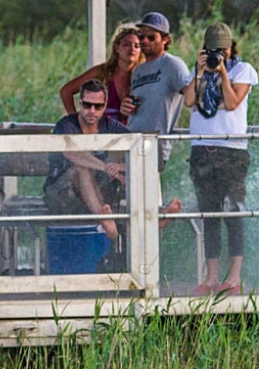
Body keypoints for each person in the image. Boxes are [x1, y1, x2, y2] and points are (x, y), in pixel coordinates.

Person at [183, 23, 258, 296]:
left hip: (231, 150)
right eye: (212, 50)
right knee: (209, 213)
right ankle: (211, 277)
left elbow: (233, 101)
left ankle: (234, 277)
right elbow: (189, 101)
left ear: (230, 47)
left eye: (221, 49)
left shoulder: (242, 69)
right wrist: (200, 72)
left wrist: (222, 72)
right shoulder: (198, 70)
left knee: (233, 211)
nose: (217, 54)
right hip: (202, 150)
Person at [44, 79, 128, 241]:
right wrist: (106, 167)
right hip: (61, 194)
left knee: (134, 173)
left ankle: (154, 216)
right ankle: (106, 221)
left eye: (98, 106)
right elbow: (73, 154)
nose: (92, 111)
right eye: (87, 105)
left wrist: (119, 167)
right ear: (79, 103)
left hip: (99, 190)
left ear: (105, 106)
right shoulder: (66, 124)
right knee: (81, 169)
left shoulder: (110, 125)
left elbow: (138, 146)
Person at [120, 12, 190, 171]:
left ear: (165, 40)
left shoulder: (173, 65)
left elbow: (191, 97)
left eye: (151, 37)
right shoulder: (138, 70)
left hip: (154, 143)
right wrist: (125, 108)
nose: (144, 41)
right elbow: (136, 105)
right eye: (141, 36)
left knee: (143, 191)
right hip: (130, 138)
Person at [59, 23, 143, 124]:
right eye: (126, 44)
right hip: (100, 134)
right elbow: (66, 91)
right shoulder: (102, 72)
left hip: (130, 134)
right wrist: (75, 122)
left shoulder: (143, 76)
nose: (132, 49)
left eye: (137, 46)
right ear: (117, 48)